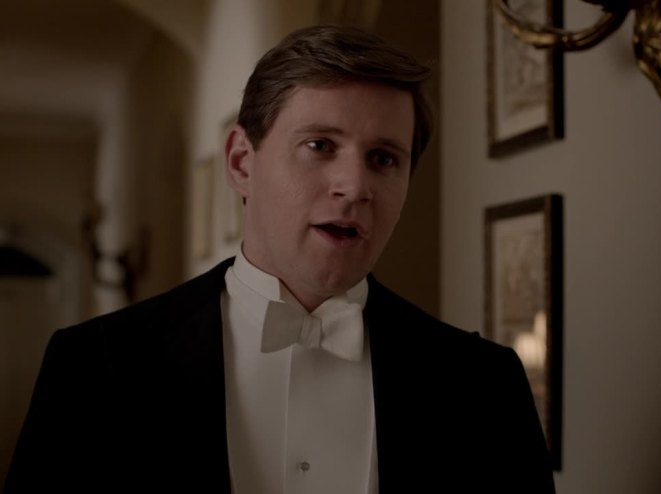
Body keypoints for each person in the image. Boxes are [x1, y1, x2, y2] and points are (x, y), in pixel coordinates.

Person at [5, 25, 555, 493]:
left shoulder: (485, 386)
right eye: (320, 145)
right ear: (242, 162)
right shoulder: (95, 365)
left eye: (384, 158)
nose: (354, 186)